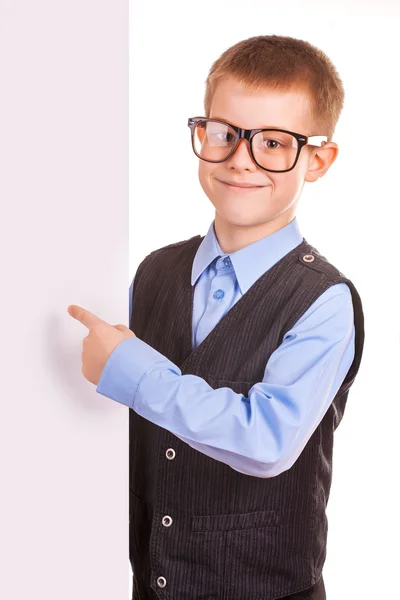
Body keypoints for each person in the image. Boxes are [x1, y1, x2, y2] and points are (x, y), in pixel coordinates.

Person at [97, 34, 365, 600]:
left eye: (273, 142)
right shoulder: (153, 272)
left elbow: (265, 441)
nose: (240, 159)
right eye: (223, 133)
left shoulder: (324, 299)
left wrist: (132, 371)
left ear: (317, 159)